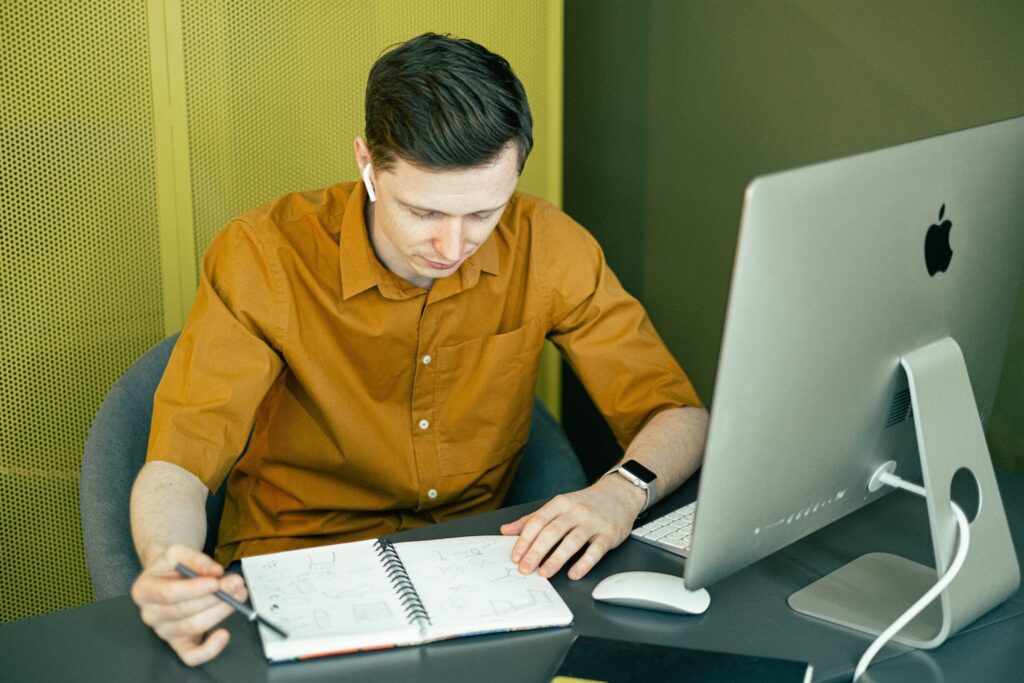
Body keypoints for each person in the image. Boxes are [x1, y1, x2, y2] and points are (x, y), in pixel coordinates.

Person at [129, 33, 708, 666]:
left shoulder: (549, 244)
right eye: (423, 212)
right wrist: (167, 564)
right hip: (299, 563)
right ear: (367, 165)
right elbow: (179, 465)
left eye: (484, 213)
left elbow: (678, 414)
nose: (452, 245)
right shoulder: (264, 254)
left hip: (485, 562)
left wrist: (622, 492)